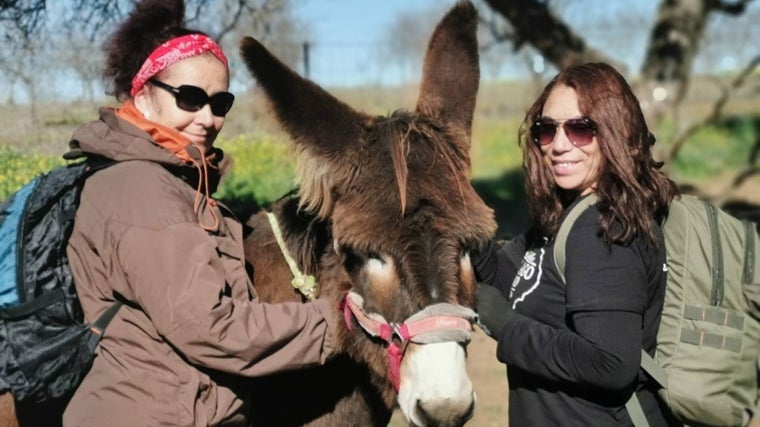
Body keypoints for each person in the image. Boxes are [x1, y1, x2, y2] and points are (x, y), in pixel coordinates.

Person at [61, 1, 337, 426]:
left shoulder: (174, 183)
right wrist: (334, 321)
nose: (207, 119)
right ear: (144, 95)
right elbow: (209, 326)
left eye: (220, 102)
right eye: (189, 98)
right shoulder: (140, 191)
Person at [473, 62, 682, 426]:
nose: (559, 145)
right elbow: (508, 280)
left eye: (580, 129)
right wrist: (455, 217)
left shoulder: (605, 227)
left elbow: (611, 363)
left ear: (616, 132)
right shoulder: (562, 217)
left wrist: (508, 329)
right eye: (547, 129)